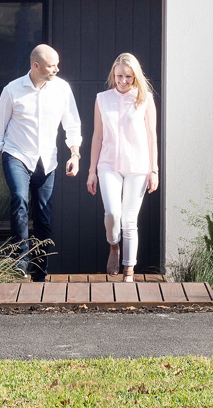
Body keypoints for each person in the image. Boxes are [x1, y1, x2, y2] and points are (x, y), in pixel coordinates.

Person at [0, 44, 82, 281]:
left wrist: (75, 154)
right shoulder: (12, 90)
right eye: (52, 65)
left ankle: (39, 269)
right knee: (19, 199)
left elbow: (72, 124)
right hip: (17, 154)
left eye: (57, 64)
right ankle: (20, 261)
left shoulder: (62, 89)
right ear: (36, 66)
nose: (57, 69)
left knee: (43, 215)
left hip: (47, 160)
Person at [85, 52, 159, 281]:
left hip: (137, 166)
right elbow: (97, 136)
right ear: (113, 74)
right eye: (119, 76)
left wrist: (154, 170)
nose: (123, 81)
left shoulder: (144, 99)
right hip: (108, 164)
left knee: (129, 220)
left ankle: (129, 270)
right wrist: (91, 171)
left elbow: (151, 137)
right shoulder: (102, 98)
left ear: (135, 76)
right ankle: (113, 246)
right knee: (112, 213)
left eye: (128, 76)